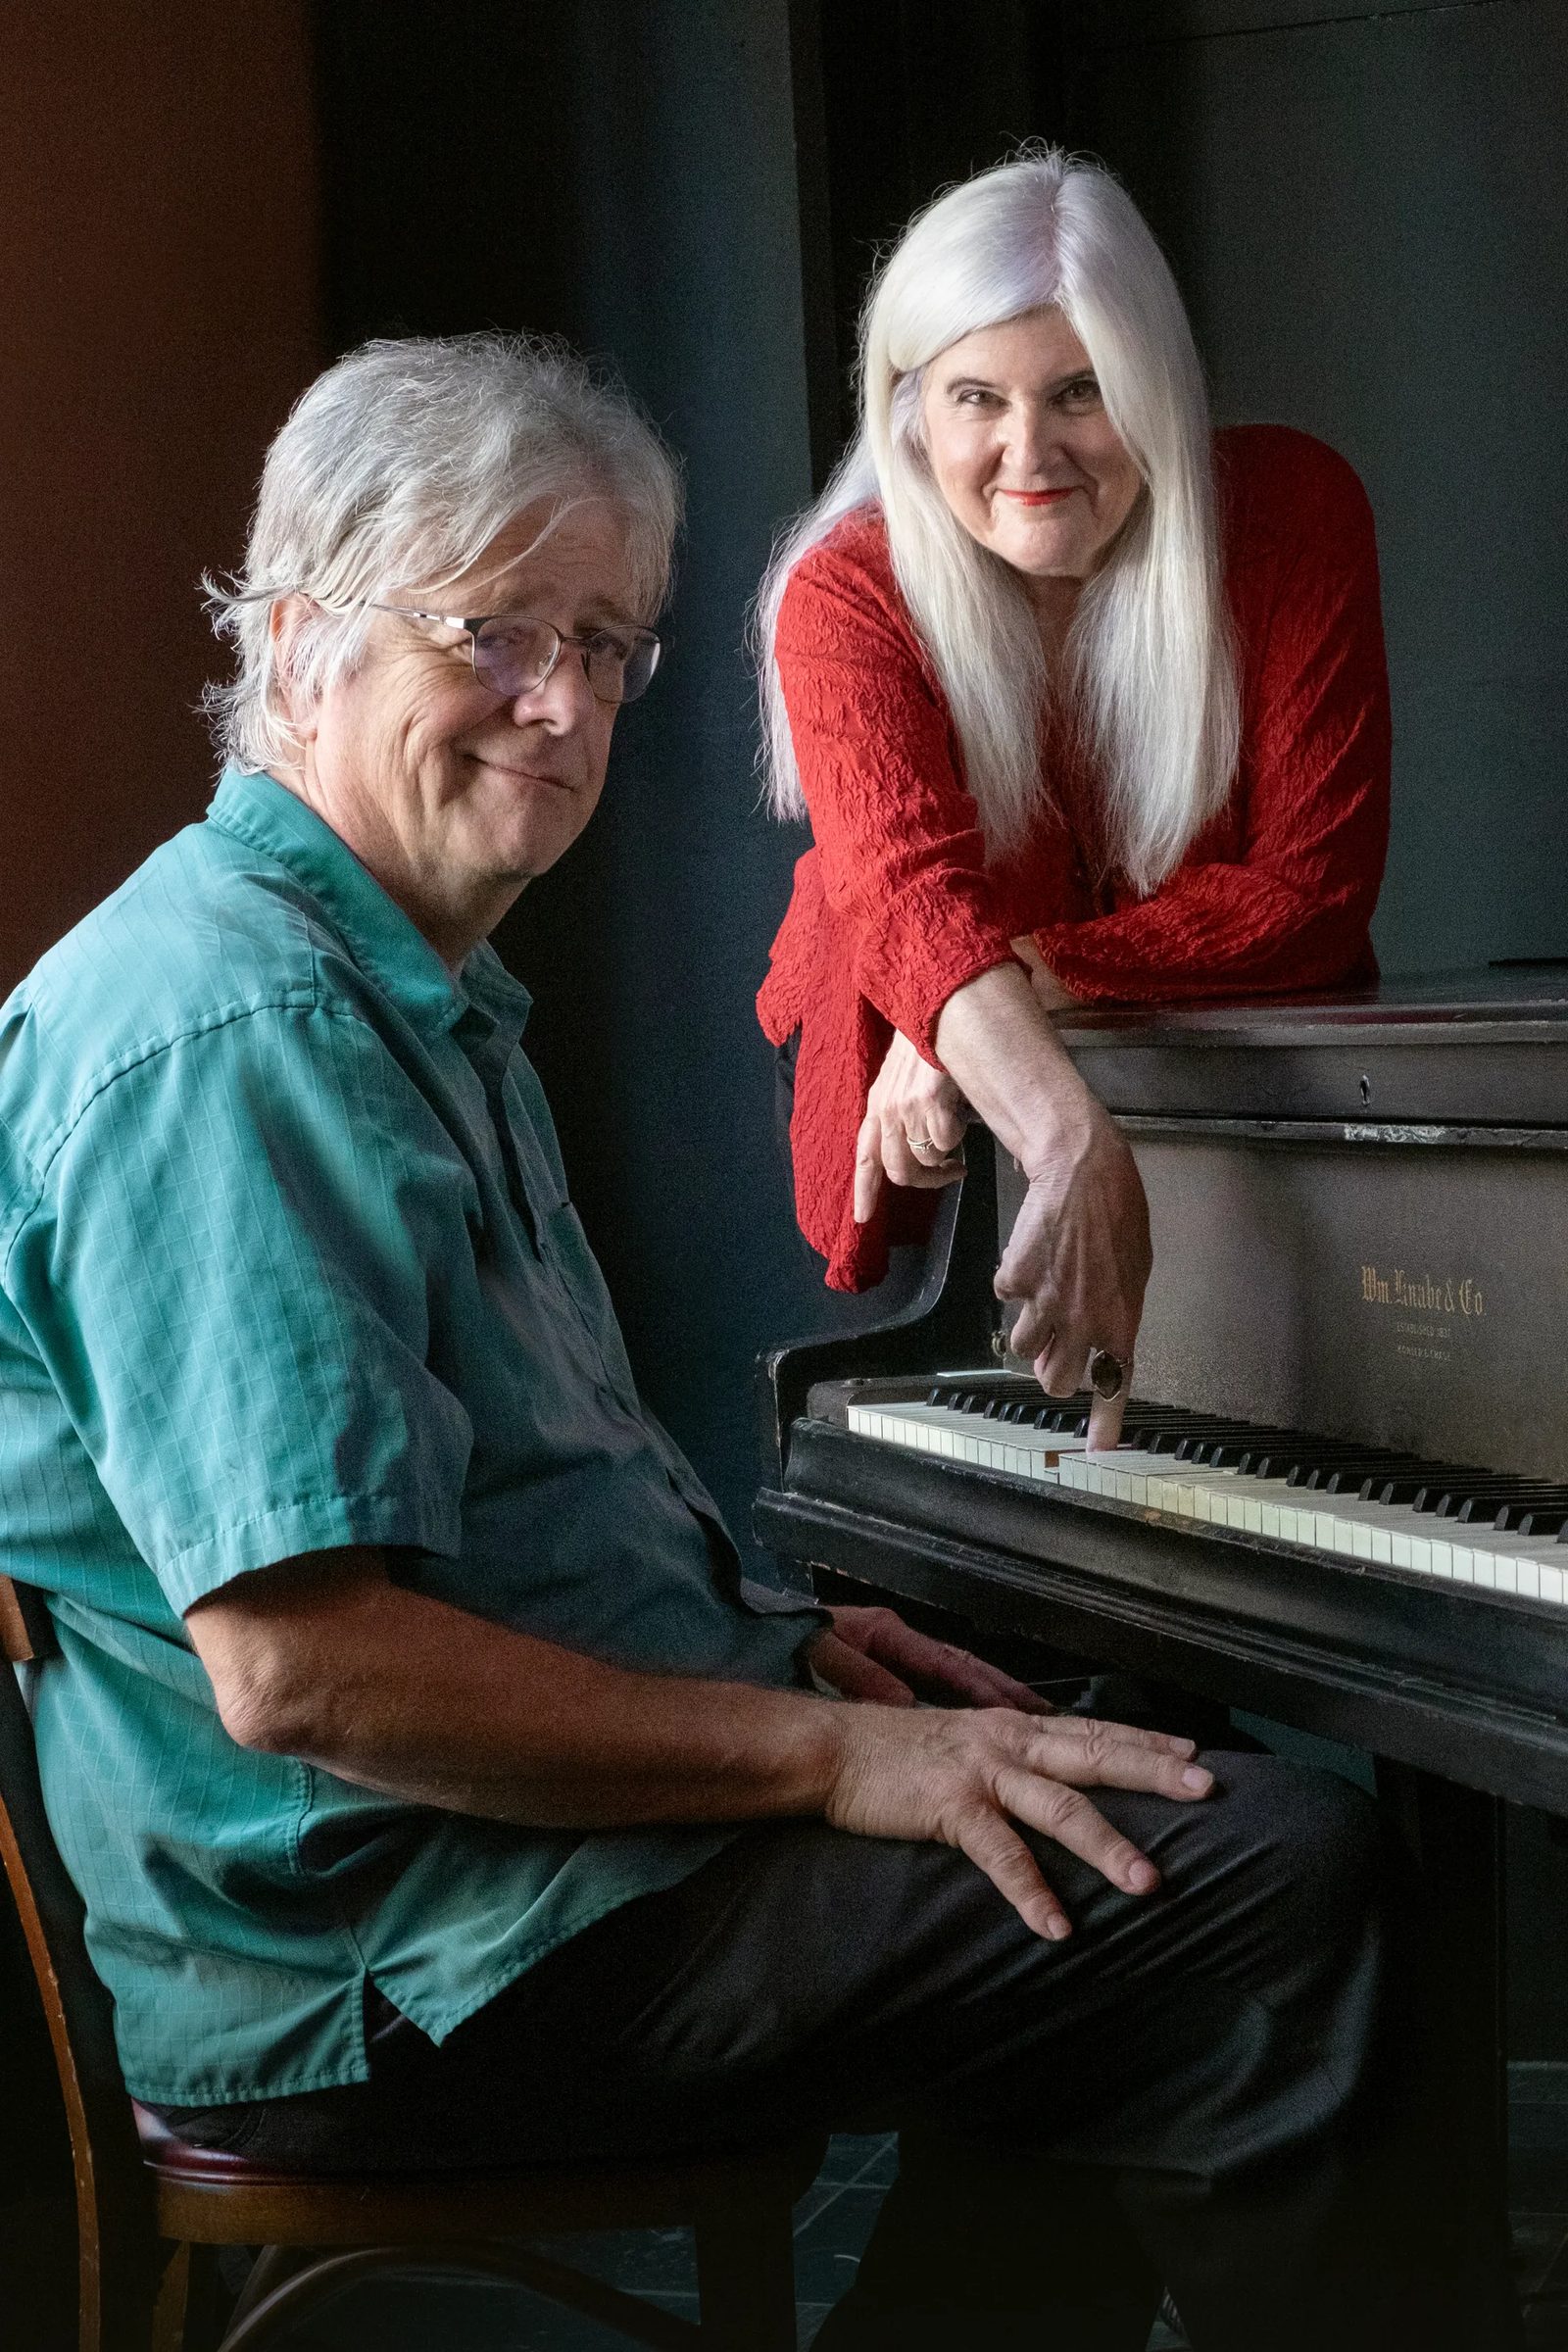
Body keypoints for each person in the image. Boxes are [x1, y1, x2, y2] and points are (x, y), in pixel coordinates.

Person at [0, 333, 1512, 2351]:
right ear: (296, 641)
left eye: (608, 642)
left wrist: (777, 1648)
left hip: (492, 1877)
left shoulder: (385, 981)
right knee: (1259, 1880)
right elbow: (306, 1672)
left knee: (1137, 1797)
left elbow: (510, 1515)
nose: (561, 707)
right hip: (409, 1955)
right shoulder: (233, 1037)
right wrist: (823, 1753)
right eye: (494, 631)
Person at [756, 147, 1391, 1446]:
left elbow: (1310, 898)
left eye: (1082, 392)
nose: (1026, 450)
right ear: (910, 411)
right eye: (975, 396)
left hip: (1171, 1054)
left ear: (1153, 387)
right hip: (883, 1065)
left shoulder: (1291, 514)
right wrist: (1063, 1137)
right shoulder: (846, 594)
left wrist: (998, 989)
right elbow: (907, 904)